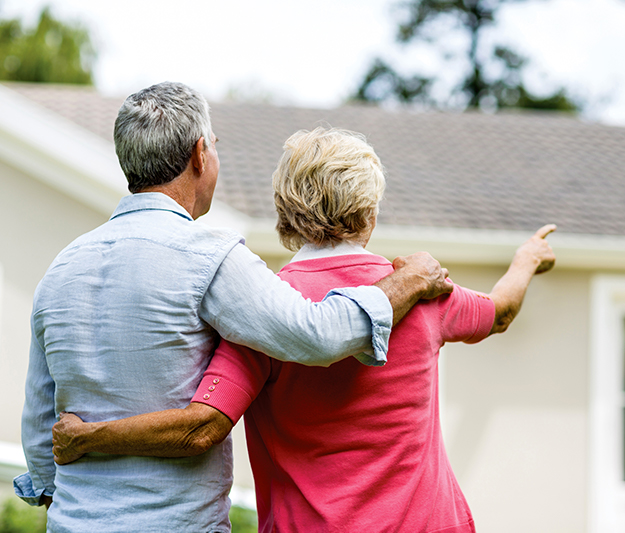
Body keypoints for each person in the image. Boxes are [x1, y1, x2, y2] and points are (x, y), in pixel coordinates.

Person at [52, 128, 556, 532]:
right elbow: (502, 310)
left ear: (285, 210)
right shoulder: (423, 292)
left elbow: (201, 426)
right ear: (370, 209)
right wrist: (527, 258)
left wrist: (88, 435)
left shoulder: (262, 312)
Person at [16, 85, 452, 533]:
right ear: (200, 155)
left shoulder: (62, 269)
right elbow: (319, 335)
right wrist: (408, 280)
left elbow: (39, 421)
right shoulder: (209, 258)